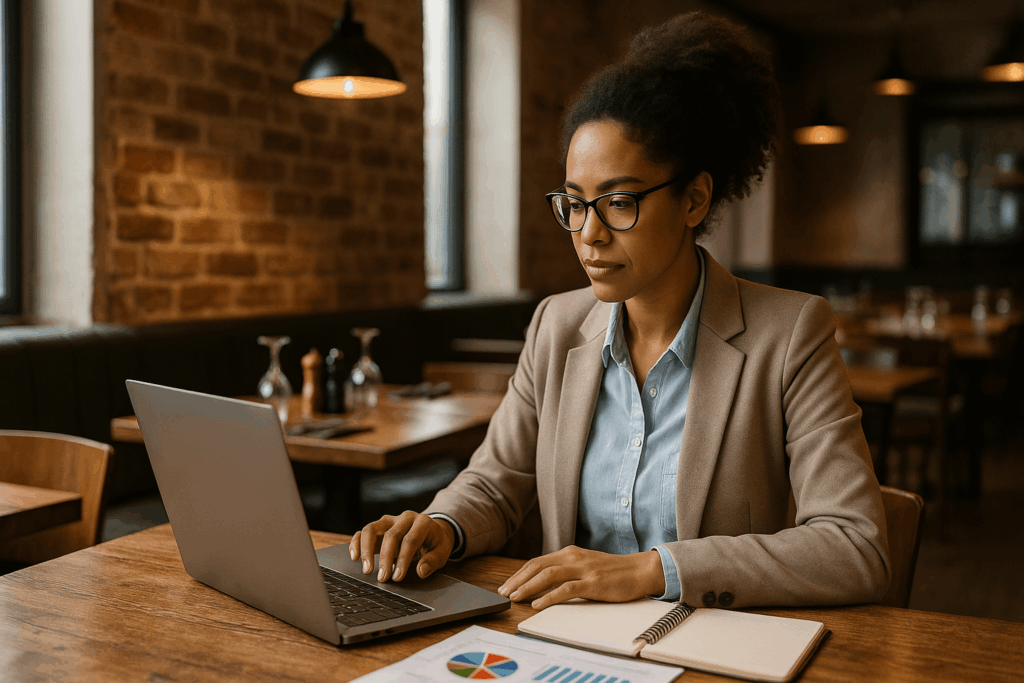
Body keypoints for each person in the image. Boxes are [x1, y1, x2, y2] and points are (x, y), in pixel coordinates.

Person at [349, 11, 891, 610]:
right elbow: (497, 483)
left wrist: (652, 571)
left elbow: (855, 546)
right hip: (563, 639)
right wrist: (442, 525)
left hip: (705, 646)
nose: (590, 234)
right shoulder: (556, 325)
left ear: (694, 198)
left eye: (620, 202)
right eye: (575, 204)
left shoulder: (788, 334)